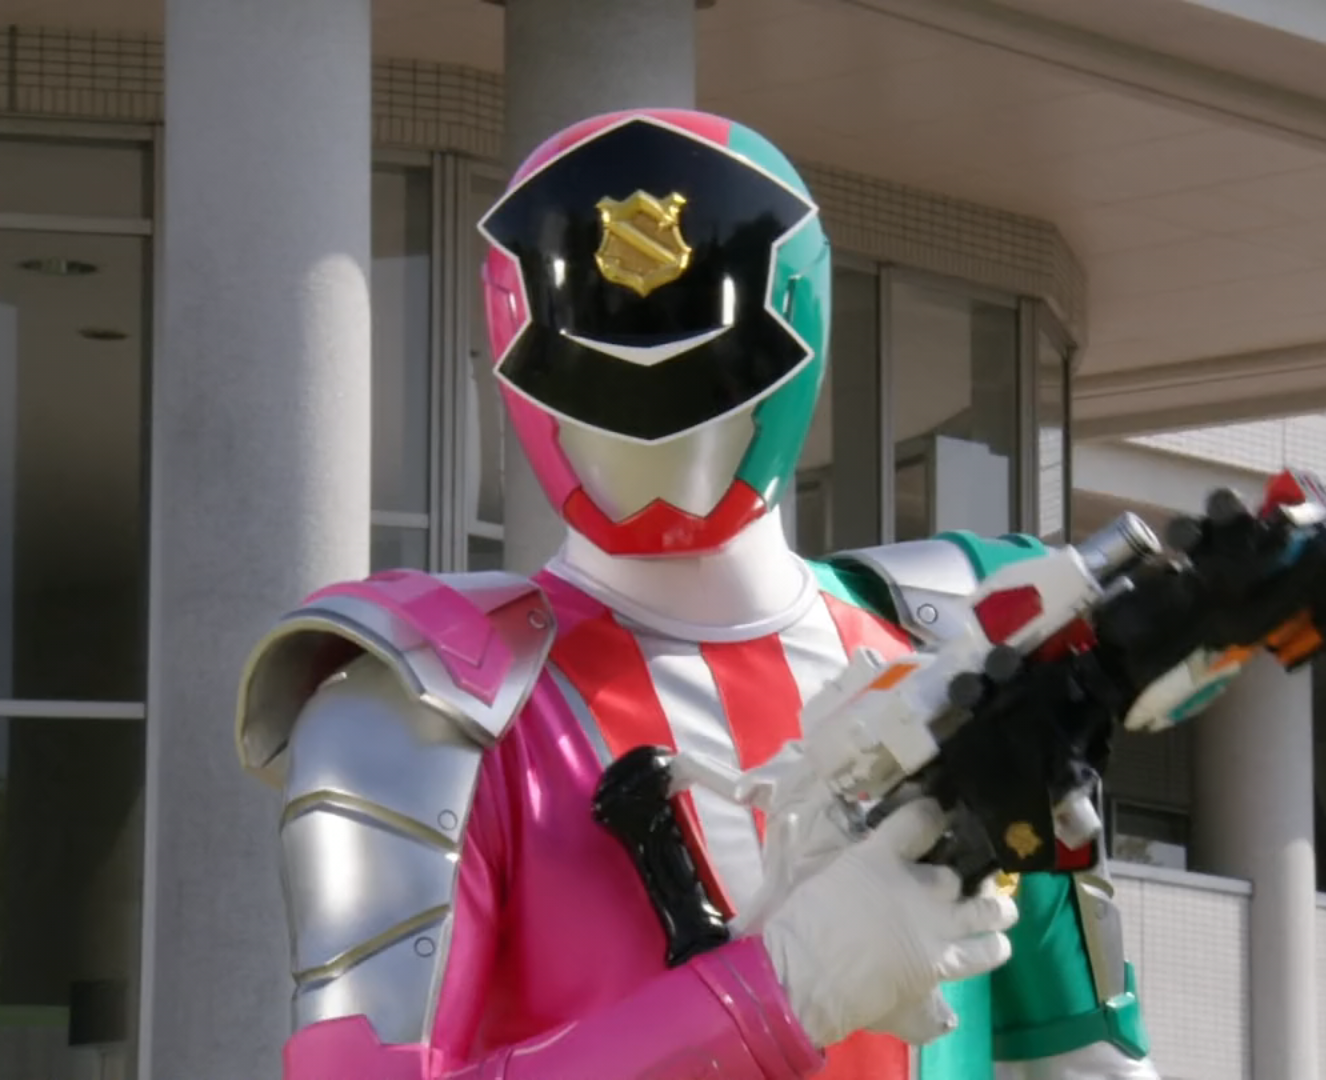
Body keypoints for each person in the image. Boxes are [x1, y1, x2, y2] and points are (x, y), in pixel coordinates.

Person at [236, 108, 1161, 1080]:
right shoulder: (418, 712)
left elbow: (1087, 1062)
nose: (651, 437)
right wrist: (779, 991)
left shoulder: (960, 649)